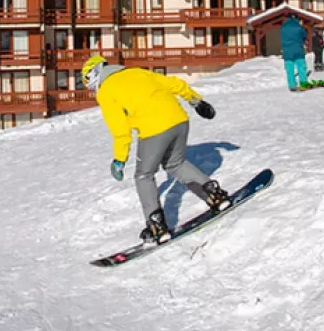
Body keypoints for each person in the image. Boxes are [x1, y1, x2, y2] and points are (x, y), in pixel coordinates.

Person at [82, 54, 231, 244]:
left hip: (154, 130)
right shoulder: (138, 73)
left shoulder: (106, 90)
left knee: (144, 175)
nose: (90, 88)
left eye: (88, 82)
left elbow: (120, 130)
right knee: (175, 164)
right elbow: (175, 84)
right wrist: (196, 102)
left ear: (94, 75)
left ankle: (156, 225)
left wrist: (119, 159)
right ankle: (215, 195)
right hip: (179, 120)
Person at [280, 13, 310, 91]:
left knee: (289, 69)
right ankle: (303, 84)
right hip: (298, 49)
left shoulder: (283, 28)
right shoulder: (299, 27)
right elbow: (304, 35)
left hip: (287, 50)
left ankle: (292, 85)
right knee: (301, 67)